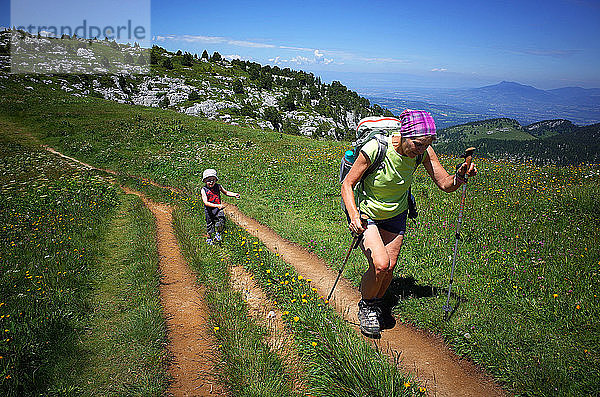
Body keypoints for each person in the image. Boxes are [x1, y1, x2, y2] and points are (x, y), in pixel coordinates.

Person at [341, 109, 477, 338]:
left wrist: (460, 177)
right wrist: (354, 216)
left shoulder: (422, 152)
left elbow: (444, 184)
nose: (421, 150)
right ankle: (366, 307)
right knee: (381, 264)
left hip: (397, 214)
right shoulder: (375, 148)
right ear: (404, 134)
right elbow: (347, 184)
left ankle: (376, 304)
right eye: (417, 144)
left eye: (426, 145)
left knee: (389, 268)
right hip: (367, 214)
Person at [201, 168, 240, 245]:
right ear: (205, 181)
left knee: (221, 220)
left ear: (216, 180)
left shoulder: (218, 186)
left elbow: (226, 192)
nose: (211, 182)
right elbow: (206, 202)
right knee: (210, 223)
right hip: (209, 210)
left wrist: (234, 194)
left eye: (213, 179)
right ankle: (209, 237)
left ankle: (218, 233)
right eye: (209, 180)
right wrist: (217, 205)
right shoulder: (204, 190)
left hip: (218, 209)